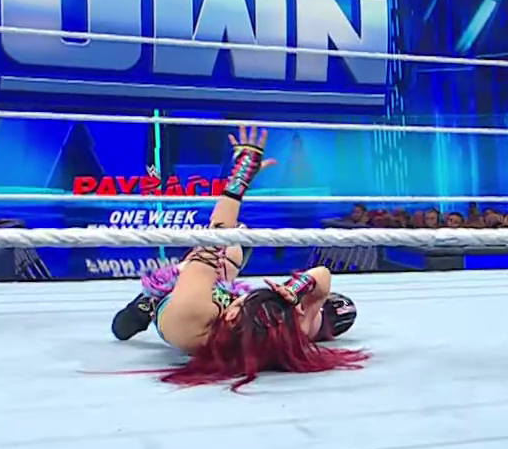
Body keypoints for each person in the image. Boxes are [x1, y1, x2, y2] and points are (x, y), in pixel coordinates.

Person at [109, 124, 366, 391]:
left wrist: (240, 178)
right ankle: (232, 265)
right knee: (343, 311)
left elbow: (214, 237)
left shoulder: (190, 317)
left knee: (223, 250)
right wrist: (293, 290)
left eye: (243, 300)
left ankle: (147, 303)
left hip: (176, 300)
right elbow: (322, 275)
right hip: (231, 309)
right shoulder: (284, 330)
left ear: (233, 314)